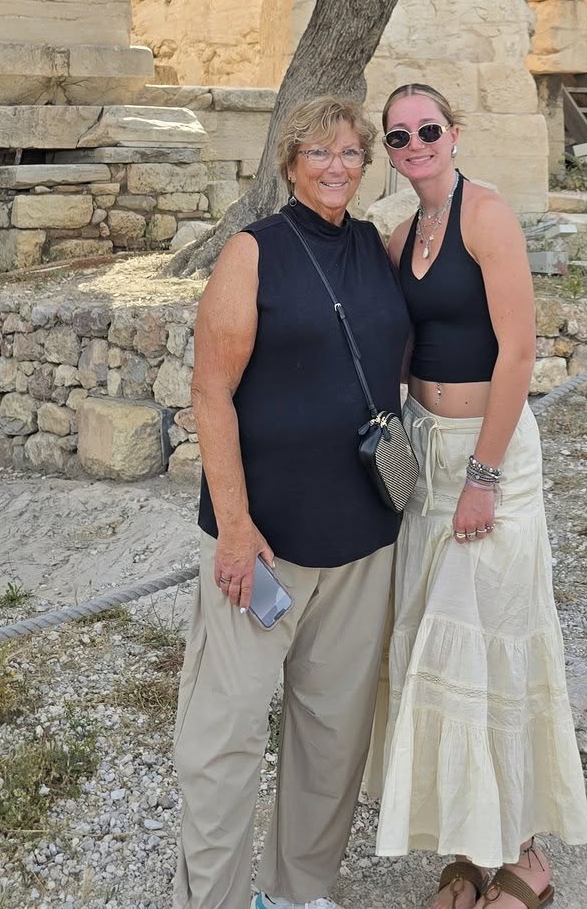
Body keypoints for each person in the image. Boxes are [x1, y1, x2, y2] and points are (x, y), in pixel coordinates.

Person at [175, 94, 411, 909]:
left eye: (351, 153)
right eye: (320, 152)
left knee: (331, 737)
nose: (337, 166)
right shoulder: (253, 252)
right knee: (224, 737)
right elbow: (211, 391)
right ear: (290, 163)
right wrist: (234, 526)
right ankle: (210, 900)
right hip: (265, 545)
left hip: (363, 537)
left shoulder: (376, 249)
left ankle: (297, 891)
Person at [368, 81, 587, 909]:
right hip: (428, 453)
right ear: (388, 151)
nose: (415, 144)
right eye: (399, 136)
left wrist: (485, 477)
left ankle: (525, 855)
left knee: (492, 639)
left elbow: (519, 350)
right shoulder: (403, 237)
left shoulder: (485, 215)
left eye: (428, 129)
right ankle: (468, 843)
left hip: (490, 461)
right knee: (435, 643)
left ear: (454, 133)